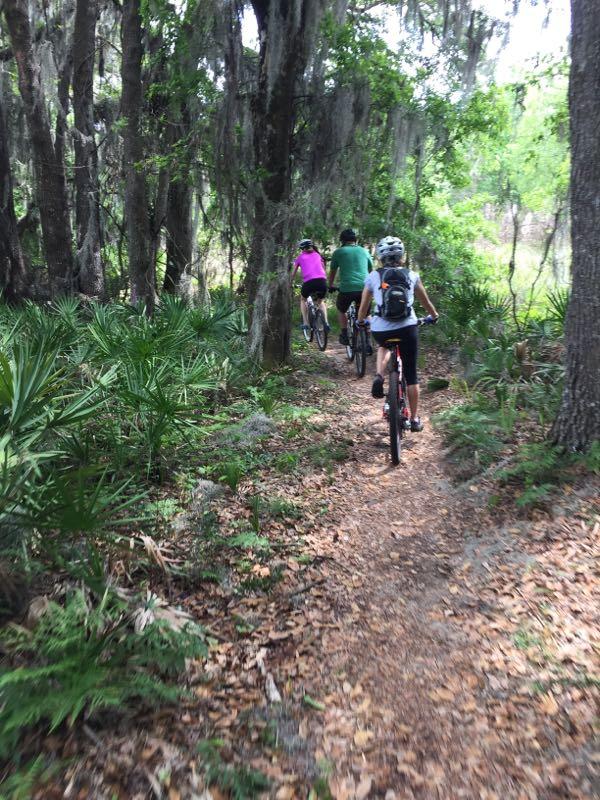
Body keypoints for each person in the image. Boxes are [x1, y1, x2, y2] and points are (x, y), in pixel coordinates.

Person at [357, 235, 438, 432]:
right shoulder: (412, 275)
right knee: (411, 375)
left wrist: (361, 321)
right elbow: (426, 302)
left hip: (381, 328)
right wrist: (433, 316)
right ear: (401, 256)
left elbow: (363, 307)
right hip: (407, 327)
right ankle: (415, 418)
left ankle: (379, 375)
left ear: (380, 257)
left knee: (383, 346)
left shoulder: (373, 277)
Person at [328, 228, 373, 346]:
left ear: (342, 240)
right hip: (365, 288)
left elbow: (332, 271)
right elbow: (370, 269)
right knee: (367, 314)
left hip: (347, 289)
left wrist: (331, 285)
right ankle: (368, 340)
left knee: (341, 310)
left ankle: (344, 334)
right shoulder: (364, 251)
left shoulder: (338, 252)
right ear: (355, 240)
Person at [291, 239, 329, 332]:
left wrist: (290, 283)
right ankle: (326, 323)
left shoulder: (300, 257)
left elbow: (293, 273)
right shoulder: (318, 255)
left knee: (303, 299)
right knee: (320, 302)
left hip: (309, 282)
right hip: (322, 281)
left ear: (302, 248)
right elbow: (323, 270)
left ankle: (305, 322)